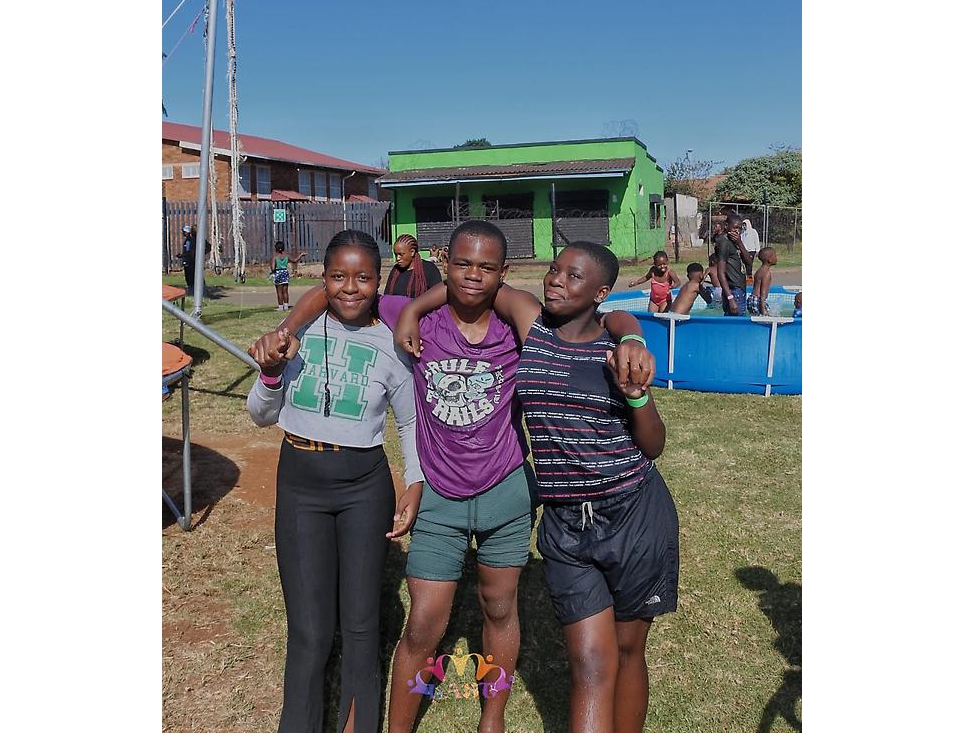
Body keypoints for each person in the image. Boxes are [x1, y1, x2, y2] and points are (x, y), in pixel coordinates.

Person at [277, 221, 654, 733]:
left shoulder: (522, 325)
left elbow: (606, 318)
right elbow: (332, 290)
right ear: (444, 263)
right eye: (462, 264)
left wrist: (631, 335)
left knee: (499, 608)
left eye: (486, 267)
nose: (473, 275)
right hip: (439, 495)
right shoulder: (405, 315)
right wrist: (289, 330)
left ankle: (491, 716)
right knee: (423, 624)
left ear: (504, 272)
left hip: (506, 491)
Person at [402, 242, 675, 733]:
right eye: (554, 270)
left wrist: (636, 386)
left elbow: (653, 446)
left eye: (573, 276)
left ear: (601, 292)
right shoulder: (533, 326)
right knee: (589, 661)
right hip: (565, 522)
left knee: (628, 649)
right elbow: (476, 283)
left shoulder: (615, 351)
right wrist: (414, 309)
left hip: (633, 514)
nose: (555, 280)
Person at [245, 230, 423, 733]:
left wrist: (414, 482)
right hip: (300, 486)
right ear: (322, 281)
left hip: (364, 488)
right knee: (309, 630)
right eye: (338, 277)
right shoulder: (293, 337)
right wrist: (271, 374)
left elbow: (410, 421)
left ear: (379, 281)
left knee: (361, 626)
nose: (350, 287)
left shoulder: (391, 345)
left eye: (363, 277)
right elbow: (260, 414)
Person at [712, 209, 754, 316]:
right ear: (726, 226)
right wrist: (730, 298)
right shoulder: (724, 243)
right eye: (735, 227)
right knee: (736, 322)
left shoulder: (735, 241)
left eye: (739, 228)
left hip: (739, 288)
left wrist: (740, 243)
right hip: (733, 291)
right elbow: (720, 273)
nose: (737, 231)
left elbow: (749, 262)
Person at [384, 233, 442, 298]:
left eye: (401, 254)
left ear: (412, 252)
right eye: (396, 254)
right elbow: (387, 296)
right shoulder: (396, 270)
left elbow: (438, 296)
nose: (397, 258)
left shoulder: (429, 269)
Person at [747, 246, 778, 316]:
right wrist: (763, 310)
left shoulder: (759, 271)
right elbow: (763, 293)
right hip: (758, 300)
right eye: (775, 256)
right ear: (769, 260)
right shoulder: (766, 273)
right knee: (766, 317)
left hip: (752, 299)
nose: (776, 258)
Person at [271, 241, 292, 311]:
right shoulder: (286, 256)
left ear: (276, 248)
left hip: (278, 273)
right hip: (285, 273)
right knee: (285, 291)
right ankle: (286, 306)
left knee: (279, 292)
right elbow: (295, 260)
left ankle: (280, 307)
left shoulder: (275, 257)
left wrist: (272, 272)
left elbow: (273, 268)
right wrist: (301, 255)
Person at [180, 225, 196, 293]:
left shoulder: (188, 241)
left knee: (189, 276)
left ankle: (191, 289)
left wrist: (182, 255)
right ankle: (191, 288)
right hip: (188, 261)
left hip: (189, 262)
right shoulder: (188, 240)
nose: (183, 233)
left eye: (184, 232)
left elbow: (189, 252)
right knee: (188, 276)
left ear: (187, 232)